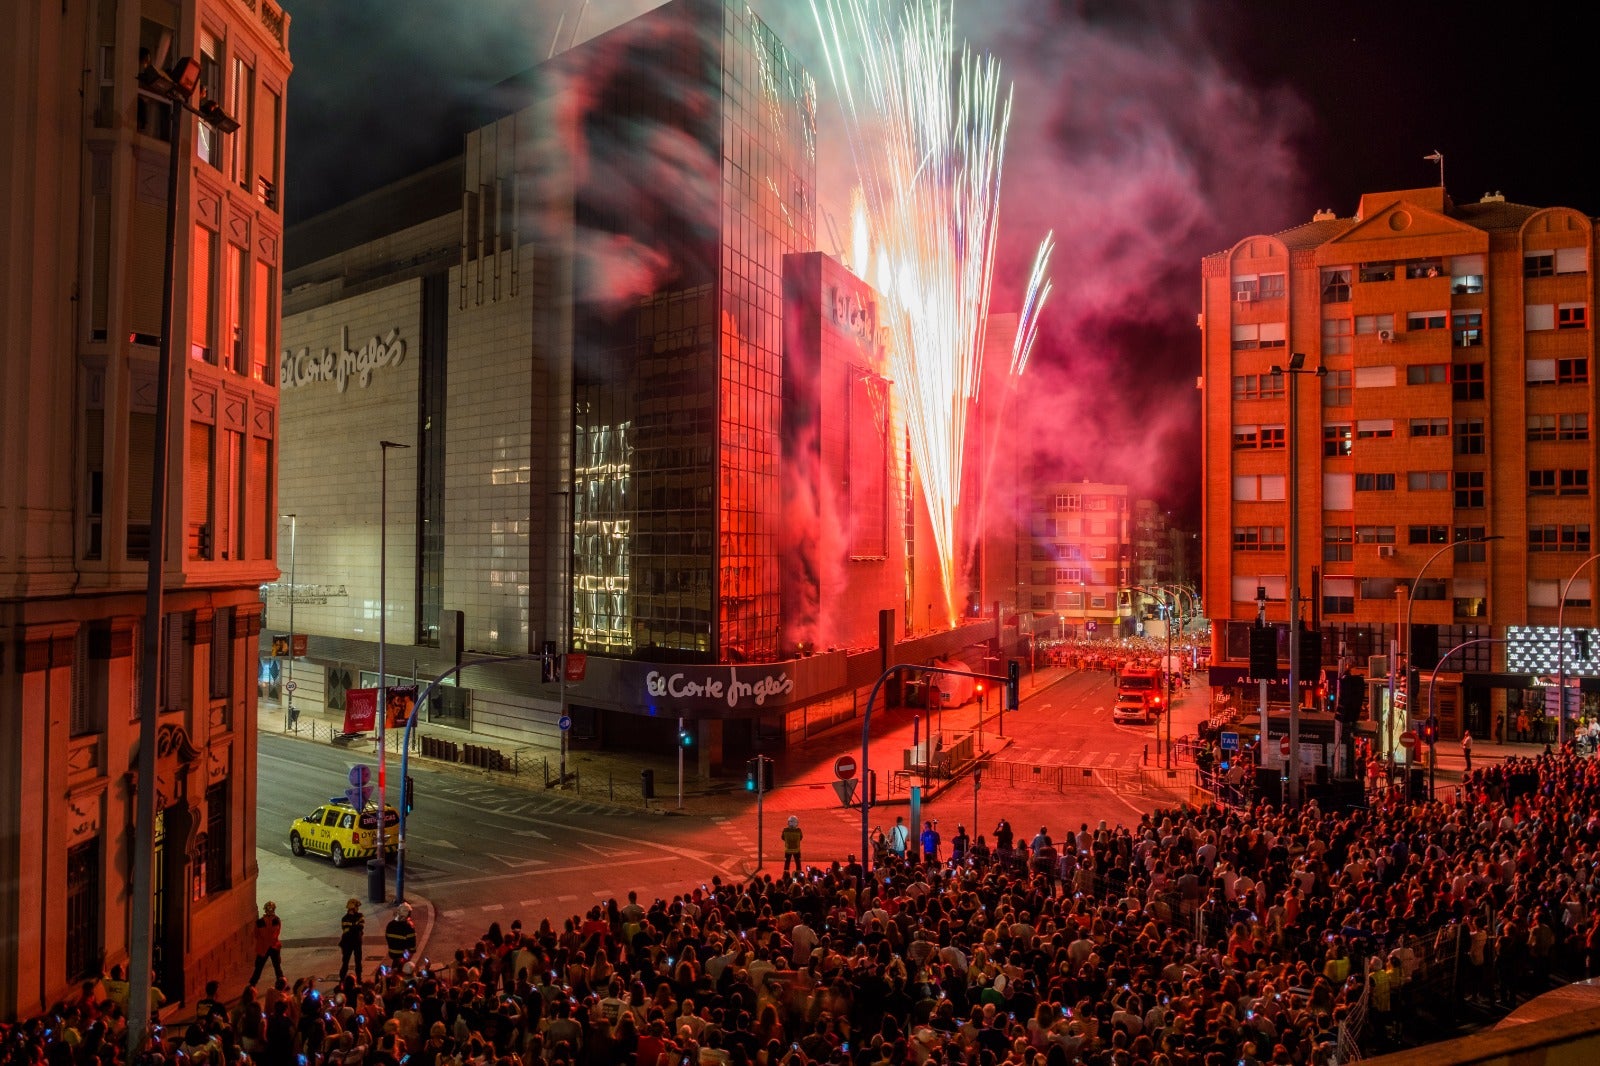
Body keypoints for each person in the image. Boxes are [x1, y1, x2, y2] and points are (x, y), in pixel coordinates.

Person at [250, 902, 284, 986]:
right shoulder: (277, 920)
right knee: (277, 967)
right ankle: (282, 984)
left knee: (258, 968)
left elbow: (256, 934)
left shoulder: (260, 922)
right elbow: (278, 932)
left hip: (263, 948)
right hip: (274, 946)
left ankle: (252, 985)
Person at [339, 897, 365, 981]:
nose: (358, 909)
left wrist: (352, 927)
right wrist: (355, 926)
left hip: (356, 942)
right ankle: (342, 980)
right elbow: (346, 930)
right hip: (347, 943)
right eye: (357, 907)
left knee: (358, 962)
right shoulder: (345, 918)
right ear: (353, 908)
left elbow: (361, 927)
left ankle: (359, 979)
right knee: (345, 962)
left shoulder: (360, 916)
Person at [386, 902, 418, 969]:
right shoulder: (408, 926)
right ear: (407, 913)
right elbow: (412, 944)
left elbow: (387, 938)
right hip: (403, 955)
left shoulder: (390, 924)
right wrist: (411, 952)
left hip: (392, 953)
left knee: (394, 969)